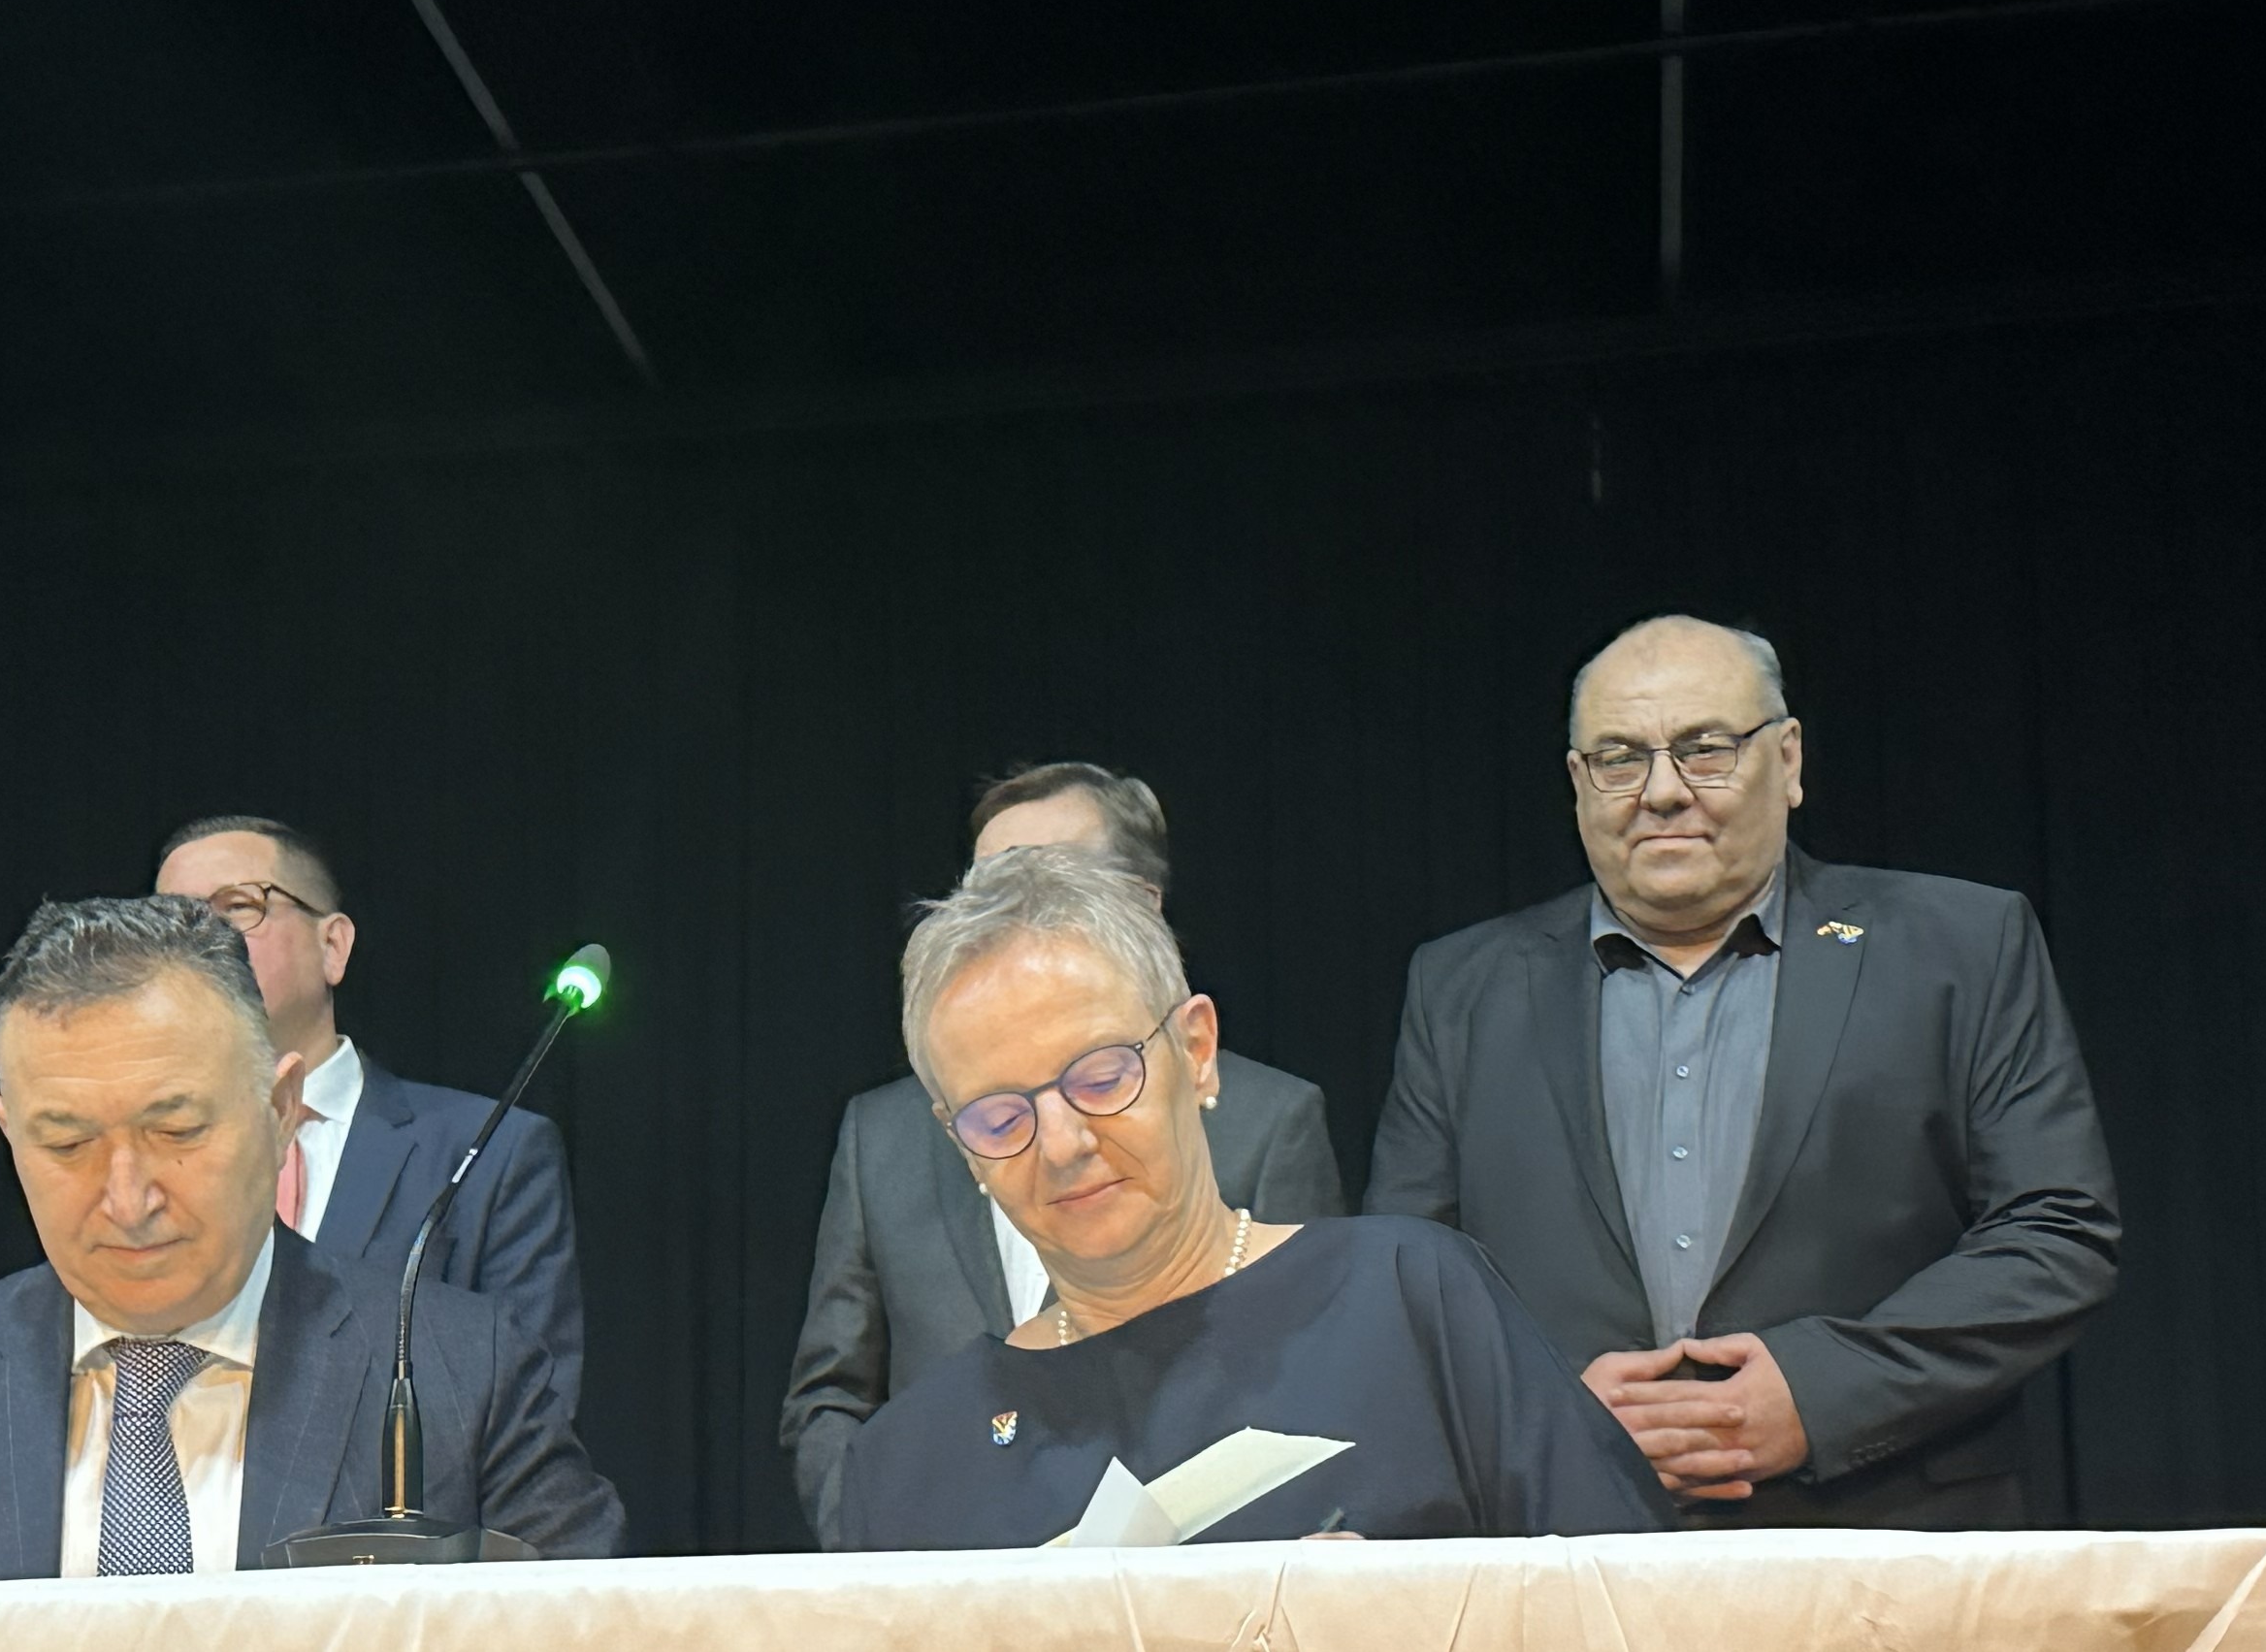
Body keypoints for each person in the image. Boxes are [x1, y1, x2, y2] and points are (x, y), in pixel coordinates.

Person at [1366, 615, 2122, 1526]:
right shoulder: (1461, 987)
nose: (1662, 792)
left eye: (1704, 749)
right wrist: (1547, 1411)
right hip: (1564, 1537)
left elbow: (2053, 1231)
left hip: (1888, 1534)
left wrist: (1821, 1390)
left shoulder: (1960, 947)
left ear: (1788, 760)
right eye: (1618, 758)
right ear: (1576, 783)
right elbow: (1404, 1284)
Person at [0, 895, 619, 1585]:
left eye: (176, 1130)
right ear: (8, 1134)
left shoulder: (461, 1374)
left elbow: (602, 1628)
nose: (127, 1199)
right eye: (66, 1143)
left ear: (279, 1110)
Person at [834, 847, 1667, 1551]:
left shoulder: (1408, 1303)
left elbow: (1637, 1606)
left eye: (1100, 1077)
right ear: (958, 1144)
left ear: (1196, 1050)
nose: (1060, 1144)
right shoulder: (910, 1464)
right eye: (999, 1117)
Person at [782, 762, 1343, 1545]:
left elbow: (1314, 1370)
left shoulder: (1272, 1121)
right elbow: (832, 1395)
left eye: (1047, 884)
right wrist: (892, 1556)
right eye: (984, 893)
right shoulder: (881, 1136)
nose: (1060, 1140)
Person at [155, 816, 583, 1393]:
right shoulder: (123, 1156)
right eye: (172, 921)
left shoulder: (490, 1151)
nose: (200, 939)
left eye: (237, 907)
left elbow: (530, 1402)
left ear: (332, 945)